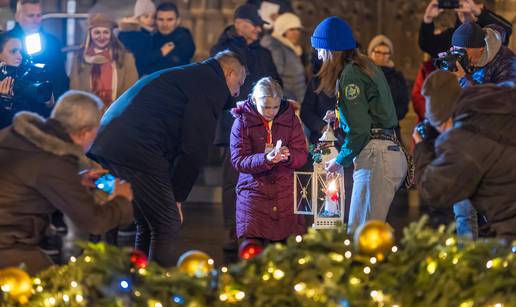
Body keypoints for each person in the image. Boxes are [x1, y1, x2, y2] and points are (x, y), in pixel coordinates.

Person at [88, 50, 246, 267]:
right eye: (239, 83)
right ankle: (158, 289)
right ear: (229, 74)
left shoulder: (190, 75)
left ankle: (140, 279)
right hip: (137, 146)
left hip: (112, 139)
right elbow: (193, 147)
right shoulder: (210, 85)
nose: (237, 93)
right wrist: (177, 197)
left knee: (148, 221)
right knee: (168, 223)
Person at [0, 90, 134, 274]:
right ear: (84, 133)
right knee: (52, 288)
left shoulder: (18, 134)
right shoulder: (55, 161)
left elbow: (24, 178)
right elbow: (94, 221)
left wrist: (75, 180)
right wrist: (121, 199)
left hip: (8, 237)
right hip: (7, 245)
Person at [311, 16, 407, 232]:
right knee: (363, 232)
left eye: (320, 49)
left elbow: (360, 130)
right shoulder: (365, 66)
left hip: (376, 157)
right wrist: (340, 115)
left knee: (362, 235)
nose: (318, 55)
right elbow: (371, 110)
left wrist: (340, 160)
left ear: (331, 50)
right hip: (385, 152)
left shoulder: (350, 75)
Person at [413, 70, 516, 241]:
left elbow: (433, 190)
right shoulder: (498, 108)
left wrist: (422, 148)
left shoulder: (464, 139)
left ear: (446, 120)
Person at [210, 3, 281, 251]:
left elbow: (275, 84)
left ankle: (259, 227)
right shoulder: (222, 51)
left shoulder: (263, 54)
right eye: (255, 26)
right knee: (232, 182)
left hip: (261, 128)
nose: (259, 31)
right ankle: (235, 231)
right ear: (240, 23)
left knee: (261, 178)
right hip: (232, 127)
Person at [230, 77, 307, 242]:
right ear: (254, 99)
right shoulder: (242, 121)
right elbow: (238, 159)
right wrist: (266, 159)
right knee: (253, 253)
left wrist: (288, 156)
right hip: (253, 194)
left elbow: (301, 154)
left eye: (276, 107)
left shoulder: (291, 119)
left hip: (285, 195)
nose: (271, 112)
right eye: (265, 107)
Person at [70, 13, 138, 110]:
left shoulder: (125, 57)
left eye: (106, 32)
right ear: (90, 34)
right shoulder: (79, 58)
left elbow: (131, 90)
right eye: (97, 32)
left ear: (111, 35)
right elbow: (74, 90)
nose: (101, 37)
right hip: (88, 113)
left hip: (116, 113)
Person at [7, 0, 69, 102]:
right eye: (31, 16)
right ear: (18, 16)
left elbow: (60, 77)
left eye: (39, 15)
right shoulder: (5, 42)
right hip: (15, 104)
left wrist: (55, 103)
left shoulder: (52, 42)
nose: (36, 20)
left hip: (46, 105)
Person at [419, 0, 512, 57]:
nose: (464, 10)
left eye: (467, 3)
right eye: (461, 5)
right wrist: (428, 19)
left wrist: (479, 12)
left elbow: (507, 30)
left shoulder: (487, 36)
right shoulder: (450, 36)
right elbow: (426, 44)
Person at [447, 22, 515, 87]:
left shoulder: (508, 63)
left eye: (463, 52)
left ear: (481, 49)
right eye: (457, 51)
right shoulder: (468, 61)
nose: (461, 57)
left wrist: (464, 80)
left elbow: (501, 97)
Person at [261, 12, 306, 102]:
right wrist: (289, 101)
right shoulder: (276, 48)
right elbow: (274, 80)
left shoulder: (293, 48)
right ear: (282, 29)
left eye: (298, 29)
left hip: (299, 101)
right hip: (290, 103)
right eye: (291, 29)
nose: (296, 33)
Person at [367, 35, 409, 124]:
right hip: (365, 127)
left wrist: (389, 117)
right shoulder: (363, 74)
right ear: (371, 52)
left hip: (390, 127)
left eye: (386, 53)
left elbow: (403, 104)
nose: (382, 56)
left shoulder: (397, 77)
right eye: (378, 52)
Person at [144, 2, 195, 74]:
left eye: (170, 19)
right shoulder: (151, 37)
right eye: (161, 19)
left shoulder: (184, 37)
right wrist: (160, 53)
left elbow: (177, 61)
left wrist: (155, 56)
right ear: (155, 20)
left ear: (178, 21)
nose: (165, 24)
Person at [118, 0, 156, 77]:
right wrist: (161, 52)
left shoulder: (146, 32)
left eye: (153, 17)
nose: (150, 20)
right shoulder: (137, 35)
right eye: (146, 16)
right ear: (138, 17)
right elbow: (142, 59)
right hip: (135, 75)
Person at [0, 32, 23, 129]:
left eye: (20, 51)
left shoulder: (23, 77)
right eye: (13, 51)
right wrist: (5, 103)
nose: (20, 57)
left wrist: (47, 102)